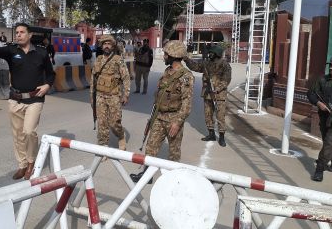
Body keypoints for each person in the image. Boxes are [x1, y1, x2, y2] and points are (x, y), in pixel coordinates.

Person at [0, 23, 55, 180]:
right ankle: (22, 164)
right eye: (16, 32)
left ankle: (31, 162)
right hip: (15, 100)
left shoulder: (41, 53)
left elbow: (51, 74)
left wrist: (47, 85)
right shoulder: (12, 51)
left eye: (22, 32)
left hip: (35, 99)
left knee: (29, 131)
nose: (18, 35)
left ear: (29, 35)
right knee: (18, 135)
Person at [130, 41, 194, 182]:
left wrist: (177, 122)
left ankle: (173, 179)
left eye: (166, 54)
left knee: (174, 151)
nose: (164, 56)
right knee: (151, 146)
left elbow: (187, 103)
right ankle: (147, 176)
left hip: (173, 118)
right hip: (159, 116)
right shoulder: (167, 71)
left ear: (173, 55)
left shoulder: (186, 76)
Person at [184, 45, 231, 147]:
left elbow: (226, 79)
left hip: (219, 95)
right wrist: (186, 59)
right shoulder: (206, 64)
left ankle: (222, 137)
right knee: (208, 114)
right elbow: (194, 66)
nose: (209, 54)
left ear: (217, 54)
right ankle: (211, 134)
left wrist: (217, 88)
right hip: (207, 93)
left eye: (211, 53)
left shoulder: (225, 65)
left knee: (220, 116)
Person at [90, 34, 130, 153]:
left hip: (114, 96)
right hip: (100, 95)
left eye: (109, 44)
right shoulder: (98, 59)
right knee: (101, 122)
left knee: (114, 122)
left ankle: (121, 135)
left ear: (112, 46)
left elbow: (126, 77)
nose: (107, 46)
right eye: (104, 44)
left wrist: (126, 94)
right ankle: (103, 148)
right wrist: (91, 97)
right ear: (102, 46)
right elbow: (93, 79)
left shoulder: (118, 60)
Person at [307, 57, 332, 182]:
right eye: (331, 66)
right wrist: (319, 103)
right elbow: (311, 93)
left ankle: (319, 168)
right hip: (325, 118)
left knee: (329, 143)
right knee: (327, 142)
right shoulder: (322, 80)